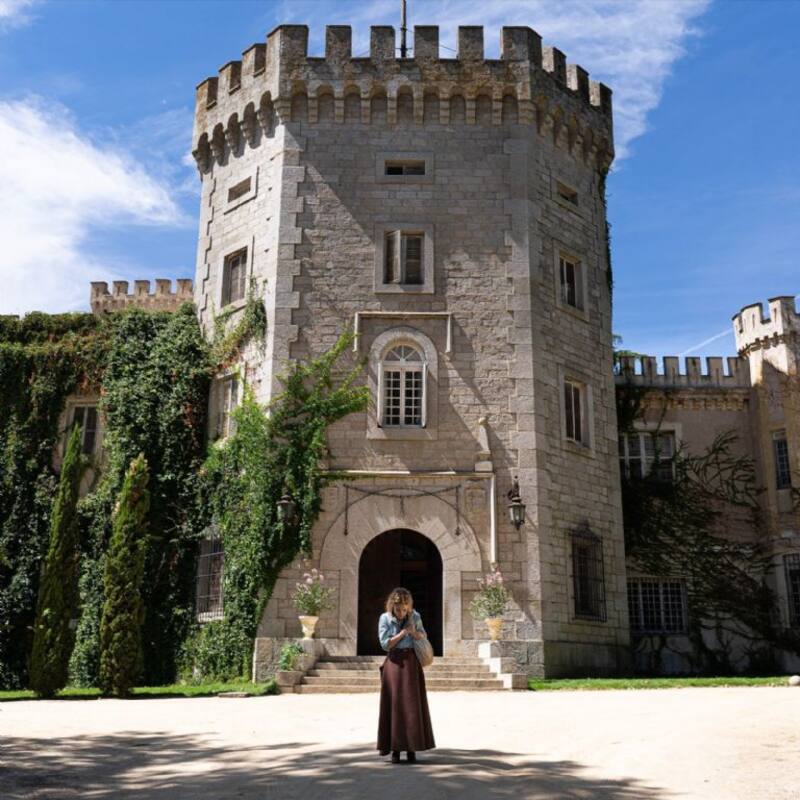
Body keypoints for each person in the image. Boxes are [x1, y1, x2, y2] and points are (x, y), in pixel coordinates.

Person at [377, 587, 436, 763]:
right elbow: (385, 644)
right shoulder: (385, 618)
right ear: (392, 606)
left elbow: (423, 635)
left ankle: (412, 749)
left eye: (405, 609)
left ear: (409, 606)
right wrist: (403, 633)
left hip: (411, 664)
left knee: (412, 707)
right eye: (398, 609)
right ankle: (395, 750)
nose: (401, 612)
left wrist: (414, 632)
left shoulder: (415, 616)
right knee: (394, 706)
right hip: (394, 664)